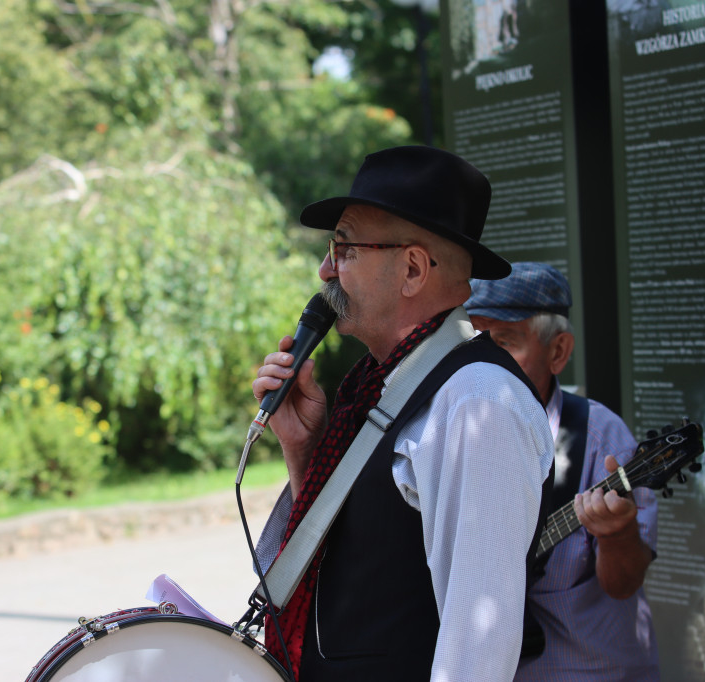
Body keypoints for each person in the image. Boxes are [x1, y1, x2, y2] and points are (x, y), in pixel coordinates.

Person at [252, 146, 554, 681]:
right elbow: (347, 568)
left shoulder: (476, 402)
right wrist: (306, 450)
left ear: (412, 268)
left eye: (344, 247)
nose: (325, 269)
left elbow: (478, 646)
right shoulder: (379, 384)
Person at [464, 262, 660, 681]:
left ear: (558, 352)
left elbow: (623, 585)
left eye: (505, 341)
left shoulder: (602, 440)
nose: (483, 363)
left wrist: (617, 534)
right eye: (475, 343)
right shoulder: (453, 431)